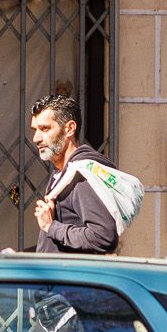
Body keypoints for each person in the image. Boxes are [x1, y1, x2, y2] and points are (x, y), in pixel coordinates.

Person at [28, 90, 118, 254]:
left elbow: (104, 236)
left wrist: (51, 226)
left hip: (74, 277)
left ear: (69, 128)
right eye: (35, 130)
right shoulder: (64, 173)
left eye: (45, 129)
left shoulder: (80, 176)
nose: (36, 138)